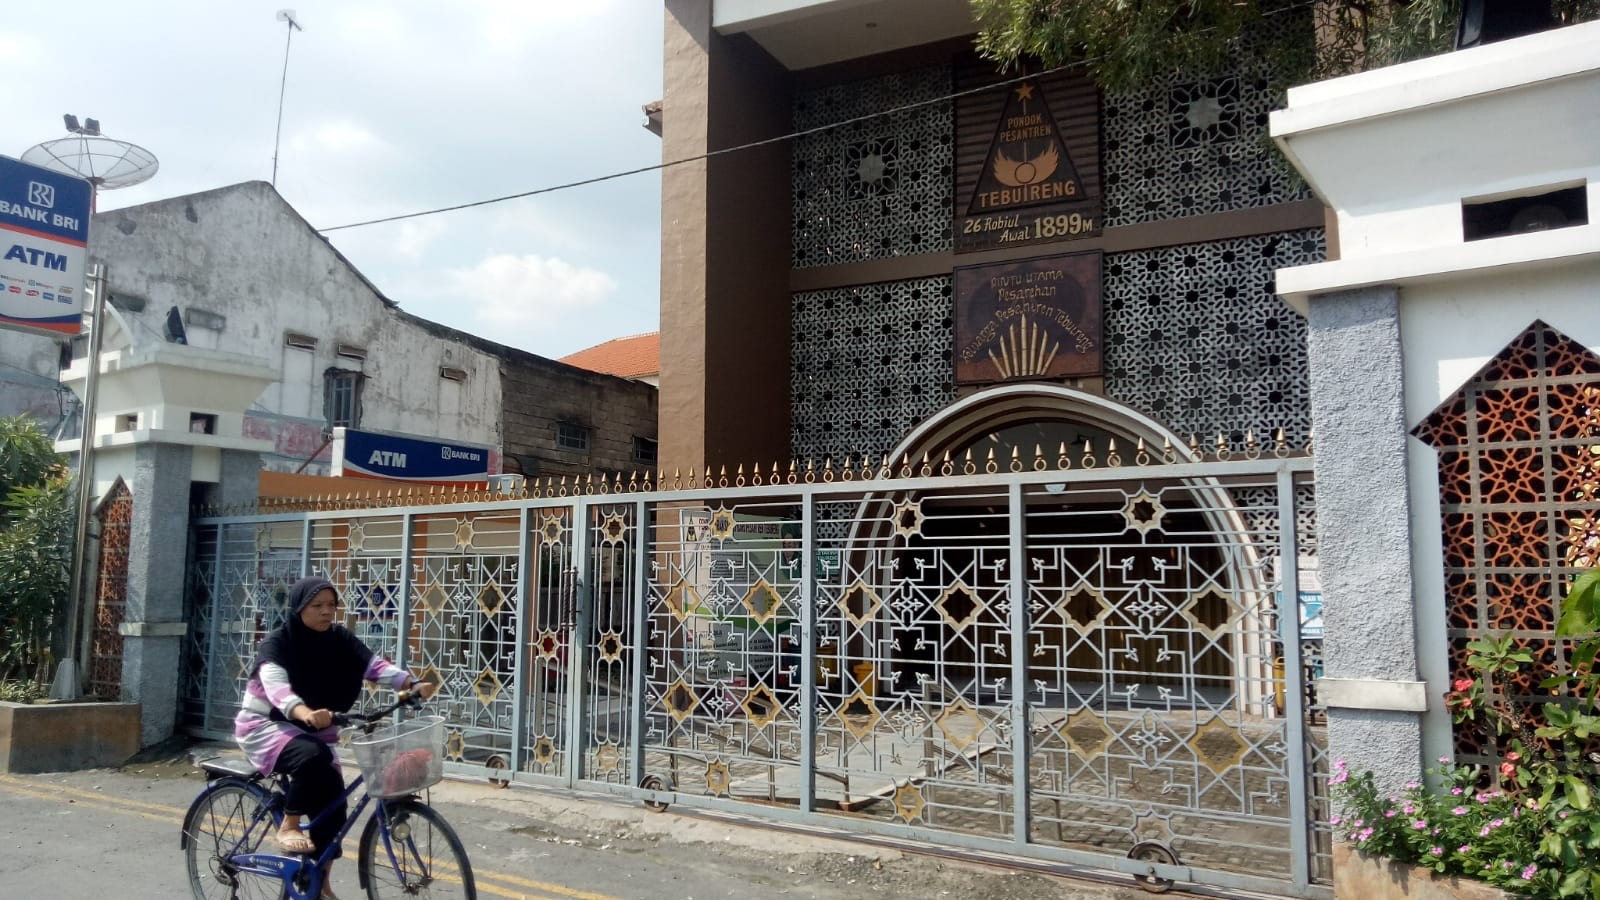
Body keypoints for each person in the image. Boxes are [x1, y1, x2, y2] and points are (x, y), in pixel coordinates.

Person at [234, 575, 435, 899]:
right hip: (264, 725)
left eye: (331, 605)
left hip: (316, 730)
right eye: (317, 605)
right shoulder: (279, 642)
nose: (327, 612)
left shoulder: (339, 638)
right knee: (313, 756)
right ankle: (288, 825)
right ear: (300, 608)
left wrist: (408, 683)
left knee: (335, 806)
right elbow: (277, 687)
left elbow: (372, 666)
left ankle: (320, 882)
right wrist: (302, 711)